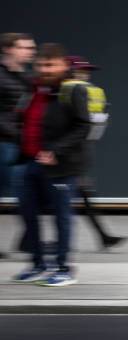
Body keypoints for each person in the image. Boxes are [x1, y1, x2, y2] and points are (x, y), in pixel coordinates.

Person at [12, 43, 90, 286]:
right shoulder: (35, 88)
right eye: (41, 64)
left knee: (61, 218)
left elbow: (83, 126)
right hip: (30, 163)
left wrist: (56, 150)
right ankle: (37, 265)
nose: (45, 69)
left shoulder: (72, 90)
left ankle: (64, 269)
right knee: (28, 215)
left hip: (60, 167)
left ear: (63, 65)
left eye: (50, 64)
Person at [64, 55, 128, 249]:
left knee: (83, 197)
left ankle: (103, 237)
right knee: (60, 199)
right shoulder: (67, 93)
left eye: (87, 72)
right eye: (82, 71)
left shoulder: (83, 93)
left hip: (76, 154)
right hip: (67, 155)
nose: (86, 75)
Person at [0, 33, 36, 258]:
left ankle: (28, 240)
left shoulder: (26, 77)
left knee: (28, 192)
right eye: (24, 47)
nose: (30, 51)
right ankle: (29, 240)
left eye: (31, 48)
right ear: (8, 49)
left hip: (18, 143)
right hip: (4, 142)